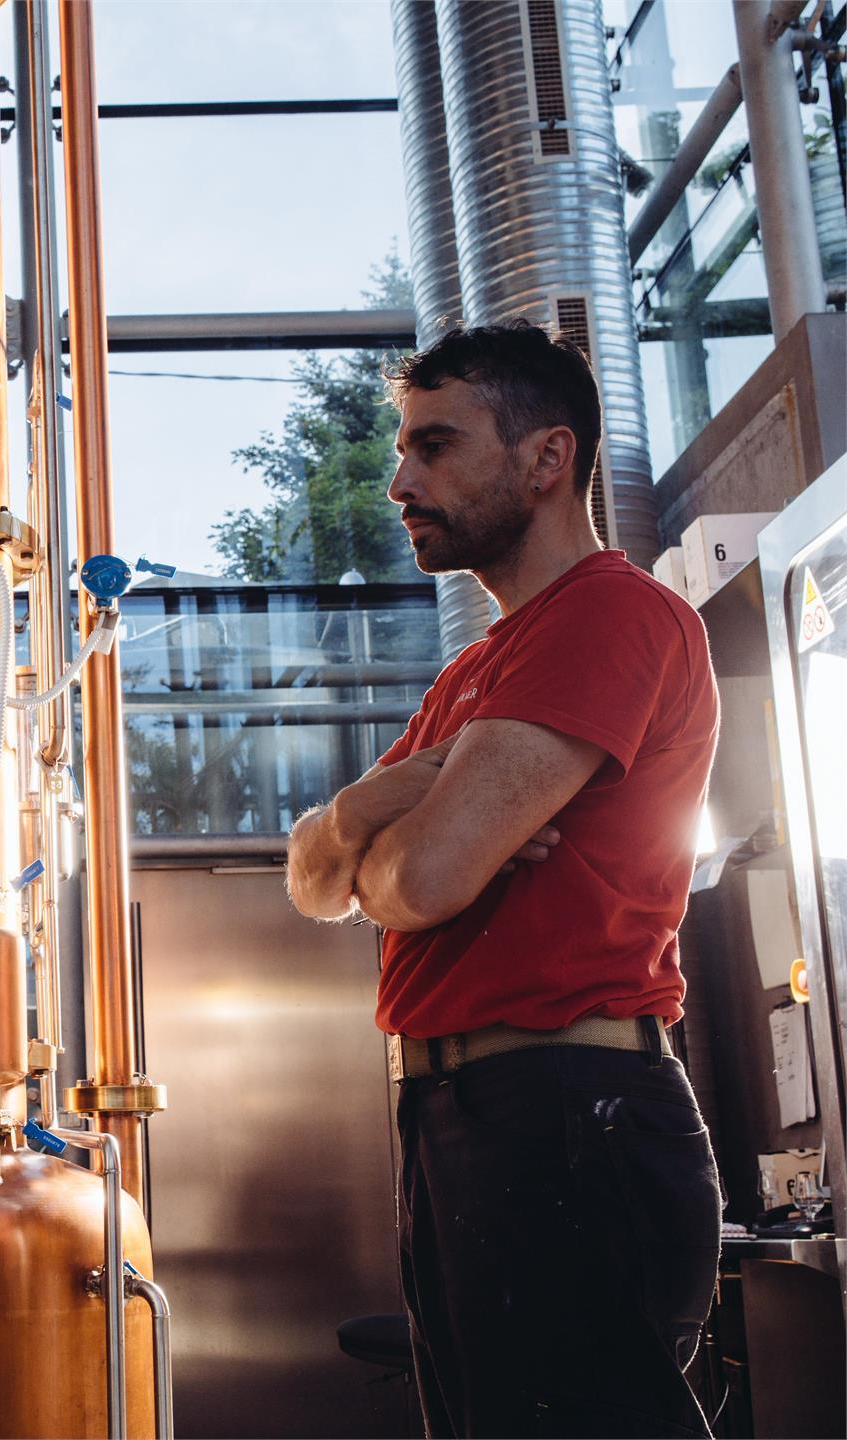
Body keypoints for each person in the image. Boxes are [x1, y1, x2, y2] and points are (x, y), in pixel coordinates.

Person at [285, 321, 722, 1437]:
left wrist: (394, 842)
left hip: (570, 1116)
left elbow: (419, 883)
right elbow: (313, 879)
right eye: (401, 451)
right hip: (465, 1116)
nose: (398, 483)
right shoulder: (475, 674)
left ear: (546, 458)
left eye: (435, 447)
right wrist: (363, 811)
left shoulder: (611, 615)